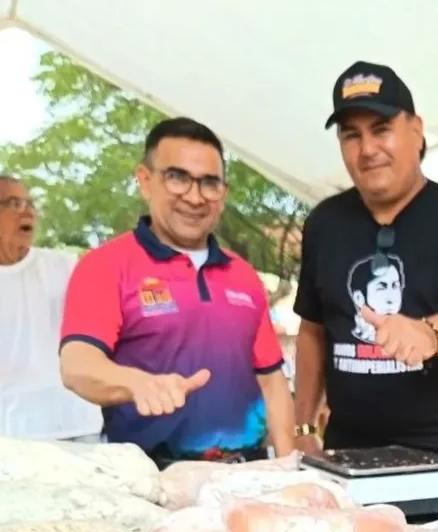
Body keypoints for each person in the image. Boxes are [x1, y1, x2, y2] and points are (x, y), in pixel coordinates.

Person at [291, 60, 438, 502]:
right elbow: (313, 332)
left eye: (381, 128)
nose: (367, 148)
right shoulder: (324, 223)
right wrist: (301, 428)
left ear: (416, 130)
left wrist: (430, 333)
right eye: (351, 135)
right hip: (349, 465)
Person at [59, 118, 294, 463]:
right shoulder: (106, 266)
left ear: (223, 194)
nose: (195, 197)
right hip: (152, 479)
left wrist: (289, 467)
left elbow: (272, 381)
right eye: (178, 177)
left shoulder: (243, 275)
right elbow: (77, 364)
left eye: (209, 183)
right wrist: (136, 384)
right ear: (145, 180)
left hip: (248, 474)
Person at [0, 176, 102, 440]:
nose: (28, 211)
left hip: (81, 419)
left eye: (30, 203)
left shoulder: (66, 266)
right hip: (21, 429)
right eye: (15, 204)